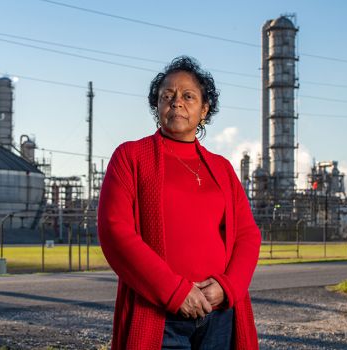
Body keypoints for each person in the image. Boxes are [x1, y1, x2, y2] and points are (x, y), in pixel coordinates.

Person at [98, 56, 261, 350]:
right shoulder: (131, 157)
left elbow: (248, 235)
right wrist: (175, 292)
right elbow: (115, 231)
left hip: (220, 313)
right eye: (167, 96)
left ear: (204, 110)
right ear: (157, 106)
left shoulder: (222, 168)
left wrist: (228, 287)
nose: (177, 103)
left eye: (188, 96)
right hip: (160, 316)